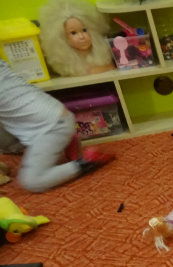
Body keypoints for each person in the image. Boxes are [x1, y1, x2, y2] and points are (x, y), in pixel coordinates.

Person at [0, 60, 113, 193]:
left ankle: (87, 162)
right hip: (47, 118)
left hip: (52, 127)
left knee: (31, 182)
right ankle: (67, 139)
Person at [38, 0, 115, 77]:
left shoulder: (103, 53)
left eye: (84, 30)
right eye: (73, 33)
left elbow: (110, 67)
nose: (81, 36)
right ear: (62, 38)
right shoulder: (66, 61)